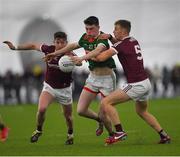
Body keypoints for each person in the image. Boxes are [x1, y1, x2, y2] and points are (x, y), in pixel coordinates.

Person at [72, 20, 171, 145]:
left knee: (106, 102)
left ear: (123, 31)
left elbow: (101, 57)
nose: (113, 31)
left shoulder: (121, 45)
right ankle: (164, 135)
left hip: (135, 84)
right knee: (142, 112)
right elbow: (119, 44)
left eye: (115, 29)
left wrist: (84, 55)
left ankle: (119, 132)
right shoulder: (133, 40)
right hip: (145, 83)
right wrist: (110, 37)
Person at [44, 16, 116, 137]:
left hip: (107, 80)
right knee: (81, 110)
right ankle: (100, 121)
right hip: (93, 78)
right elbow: (73, 45)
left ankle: (112, 135)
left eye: (91, 29)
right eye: (86, 29)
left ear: (98, 27)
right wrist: (55, 53)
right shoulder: (85, 37)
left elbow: (97, 51)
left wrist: (81, 58)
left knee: (104, 113)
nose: (88, 32)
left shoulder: (102, 39)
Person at [3, 32, 79, 145]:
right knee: (42, 109)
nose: (60, 44)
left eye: (62, 42)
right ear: (54, 42)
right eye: (57, 42)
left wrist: (75, 61)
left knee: (68, 116)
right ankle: (38, 130)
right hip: (49, 87)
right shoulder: (48, 49)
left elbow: (79, 63)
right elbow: (33, 46)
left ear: (66, 43)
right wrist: (15, 47)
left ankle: (70, 133)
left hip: (65, 89)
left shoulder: (70, 53)